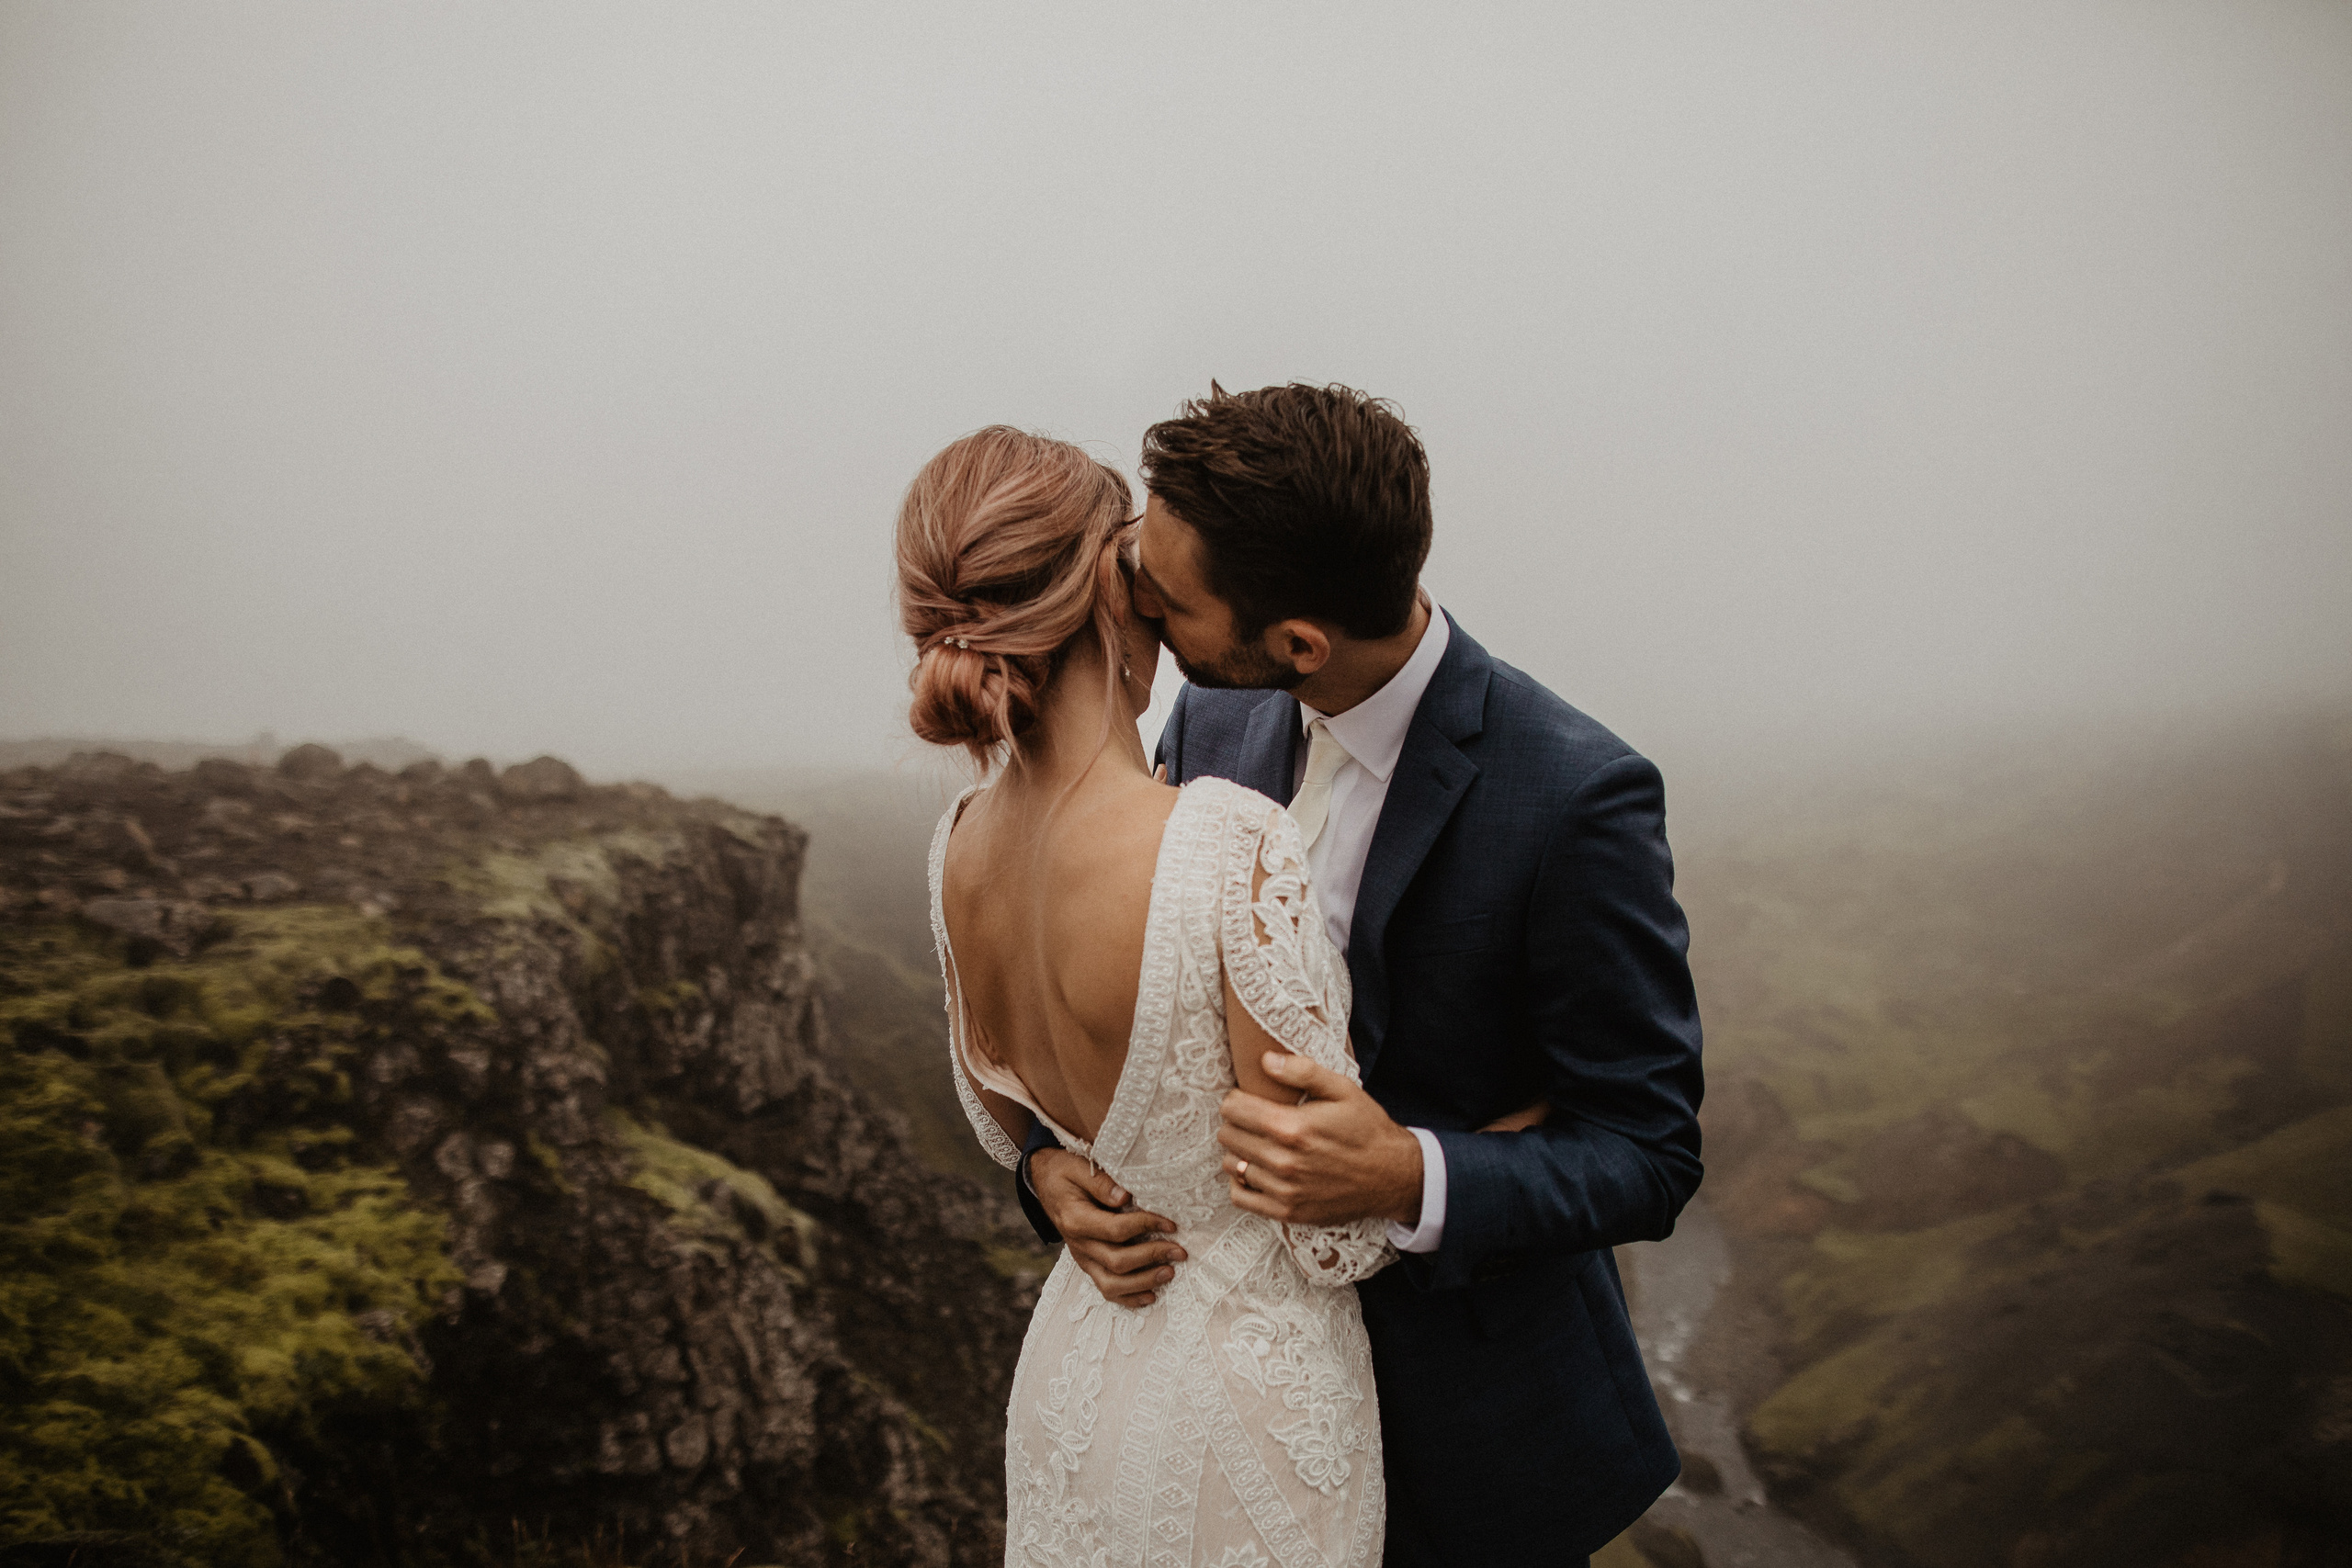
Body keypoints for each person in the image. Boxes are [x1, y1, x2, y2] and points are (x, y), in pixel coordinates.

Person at [1017, 384, 1705, 1566]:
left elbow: (1648, 1151)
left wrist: (1409, 1172)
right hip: (1235, 1416)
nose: (1128, 603)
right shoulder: (1210, 720)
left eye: (1163, 597)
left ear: (1297, 643)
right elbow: (1134, 1013)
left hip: (1470, 1433)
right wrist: (1046, 1173)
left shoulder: (1577, 797)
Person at [900, 425, 1396, 1567]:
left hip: (1082, 1378)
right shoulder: (1228, 841)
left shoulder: (954, 850)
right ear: (1105, 596)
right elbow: (1336, 1238)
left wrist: (1051, 1175)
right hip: (1250, 1413)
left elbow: (1012, 1136)